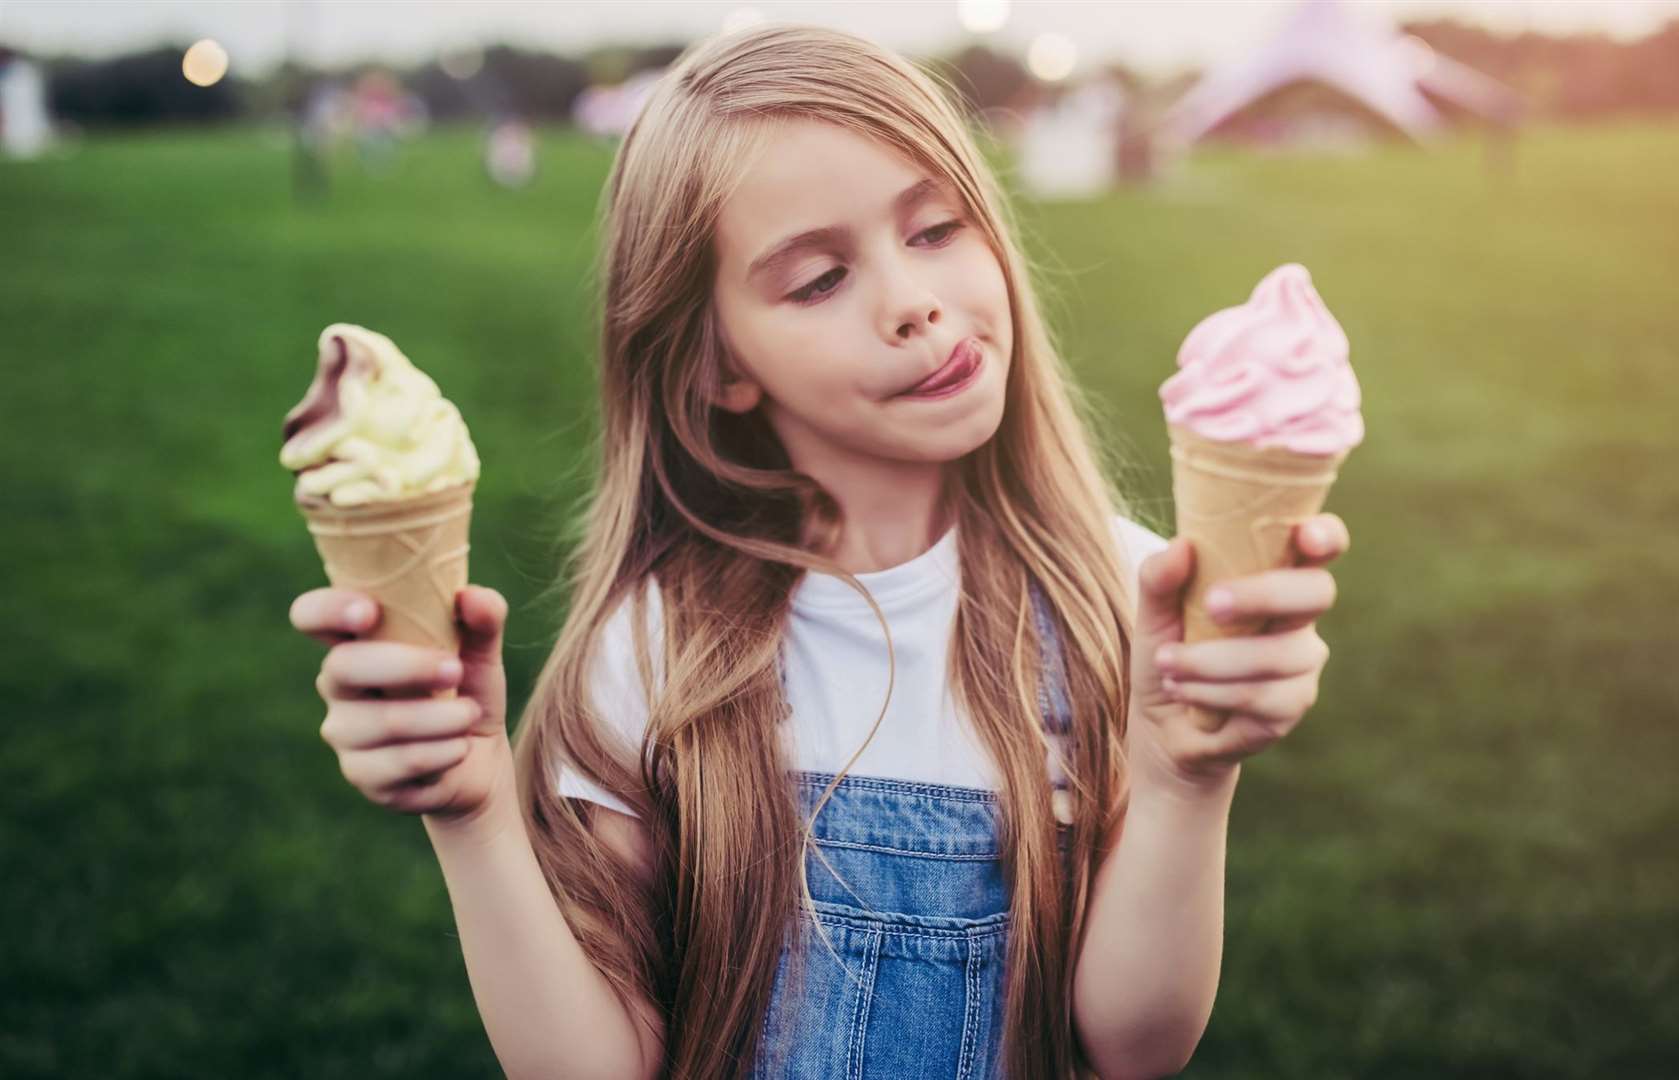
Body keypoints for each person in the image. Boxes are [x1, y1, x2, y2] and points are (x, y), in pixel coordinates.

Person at [288, 24, 1351, 1080]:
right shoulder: (654, 651)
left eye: (935, 228)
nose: (911, 302)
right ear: (714, 364)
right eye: (817, 281)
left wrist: (1182, 779)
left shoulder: (1123, 597)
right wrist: (469, 818)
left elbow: (1130, 1046)